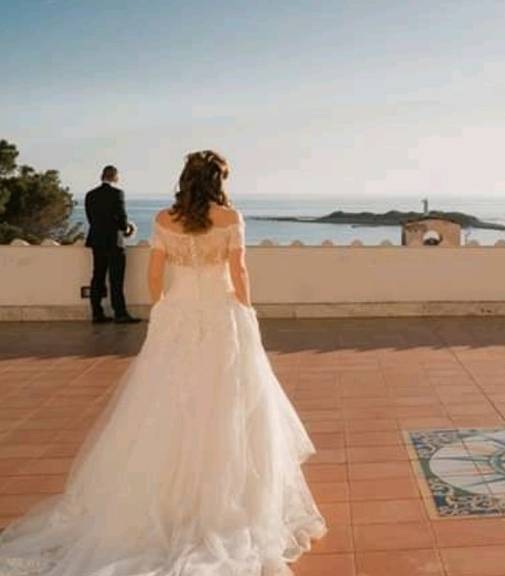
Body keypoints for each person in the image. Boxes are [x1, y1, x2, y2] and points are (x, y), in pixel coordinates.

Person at [0, 150, 326, 575]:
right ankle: (227, 503)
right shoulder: (230, 219)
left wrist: (168, 311)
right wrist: (247, 312)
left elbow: (155, 275)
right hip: (222, 315)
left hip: (178, 316)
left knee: (166, 405)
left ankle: (165, 500)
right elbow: (240, 272)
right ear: (218, 180)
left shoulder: (163, 220)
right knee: (228, 402)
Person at [84, 165, 141, 323]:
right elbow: (121, 219)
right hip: (114, 241)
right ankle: (120, 313)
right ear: (115, 176)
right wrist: (128, 228)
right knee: (116, 279)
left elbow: (91, 219)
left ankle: (97, 313)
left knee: (97, 276)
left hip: (97, 240)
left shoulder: (90, 195)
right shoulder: (117, 194)